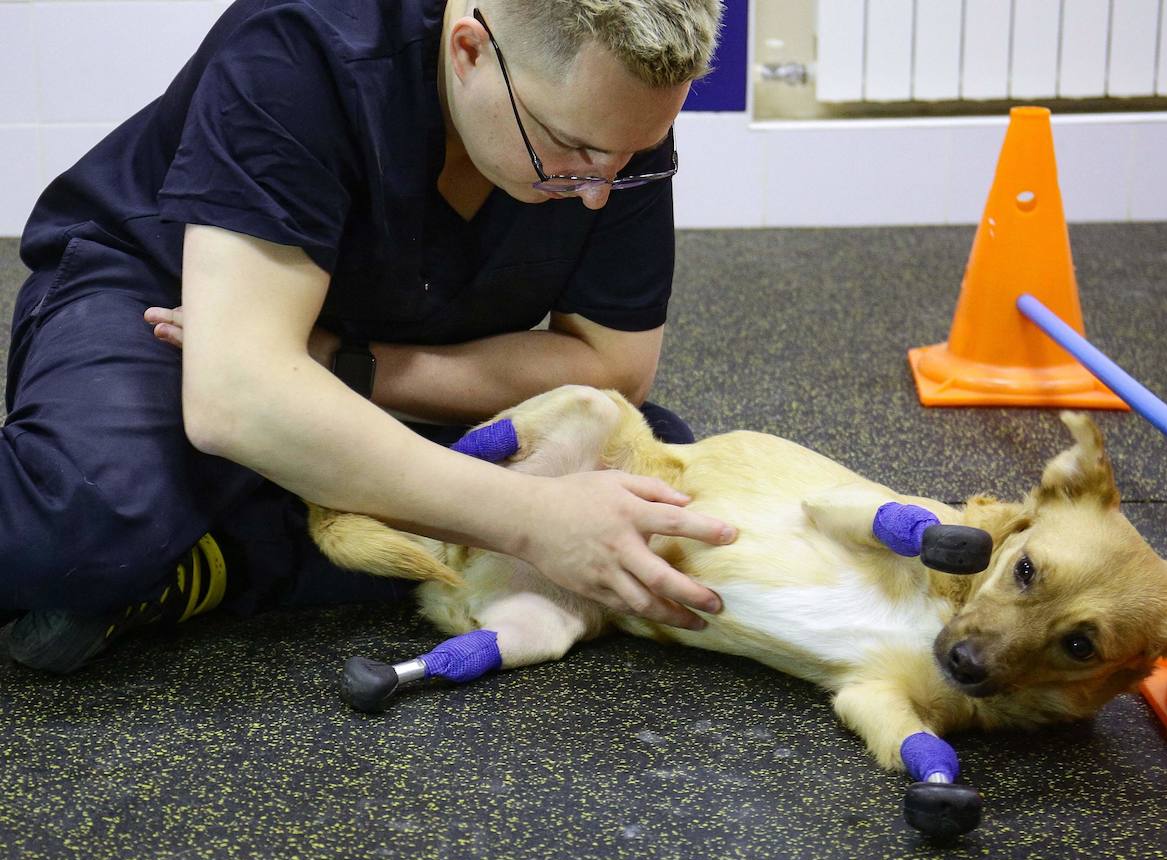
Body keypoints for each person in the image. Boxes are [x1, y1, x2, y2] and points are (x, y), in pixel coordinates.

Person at [1, 0, 737, 675]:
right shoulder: (299, 48)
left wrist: (341, 367)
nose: (599, 191)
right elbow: (233, 397)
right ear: (470, 50)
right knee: (83, 522)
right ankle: (215, 528)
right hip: (171, 311)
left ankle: (216, 552)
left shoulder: (606, 128)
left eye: (632, 158)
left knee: (640, 475)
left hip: (359, 345)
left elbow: (613, 366)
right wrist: (532, 520)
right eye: (568, 154)